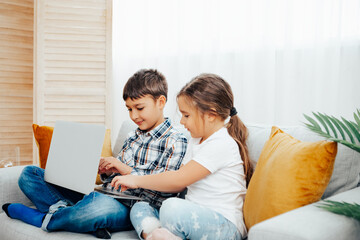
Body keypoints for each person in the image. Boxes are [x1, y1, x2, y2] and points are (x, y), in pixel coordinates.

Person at [2, 69, 188, 239]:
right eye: (129, 109)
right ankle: (74, 215)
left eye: (139, 108)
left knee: (97, 207)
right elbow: (112, 179)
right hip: (104, 194)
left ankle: (44, 219)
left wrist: (126, 170)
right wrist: (106, 170)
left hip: (130, 206)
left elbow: (166, 186)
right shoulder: (133, 136)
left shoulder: (176, 139)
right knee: (29, 175)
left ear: (161, 102)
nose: (133, 116)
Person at [111, 73, 253, 240]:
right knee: (140, 207)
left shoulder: (221, 143)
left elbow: (178, 180)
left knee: (171, 208)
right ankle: (155, 235)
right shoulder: (196, 140)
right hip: (195, 218)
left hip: (225, 226)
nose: (182, 122)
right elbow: (175, 182)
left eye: (186, 115)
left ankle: (157, 234)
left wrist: (135, 180)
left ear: (211, 115)